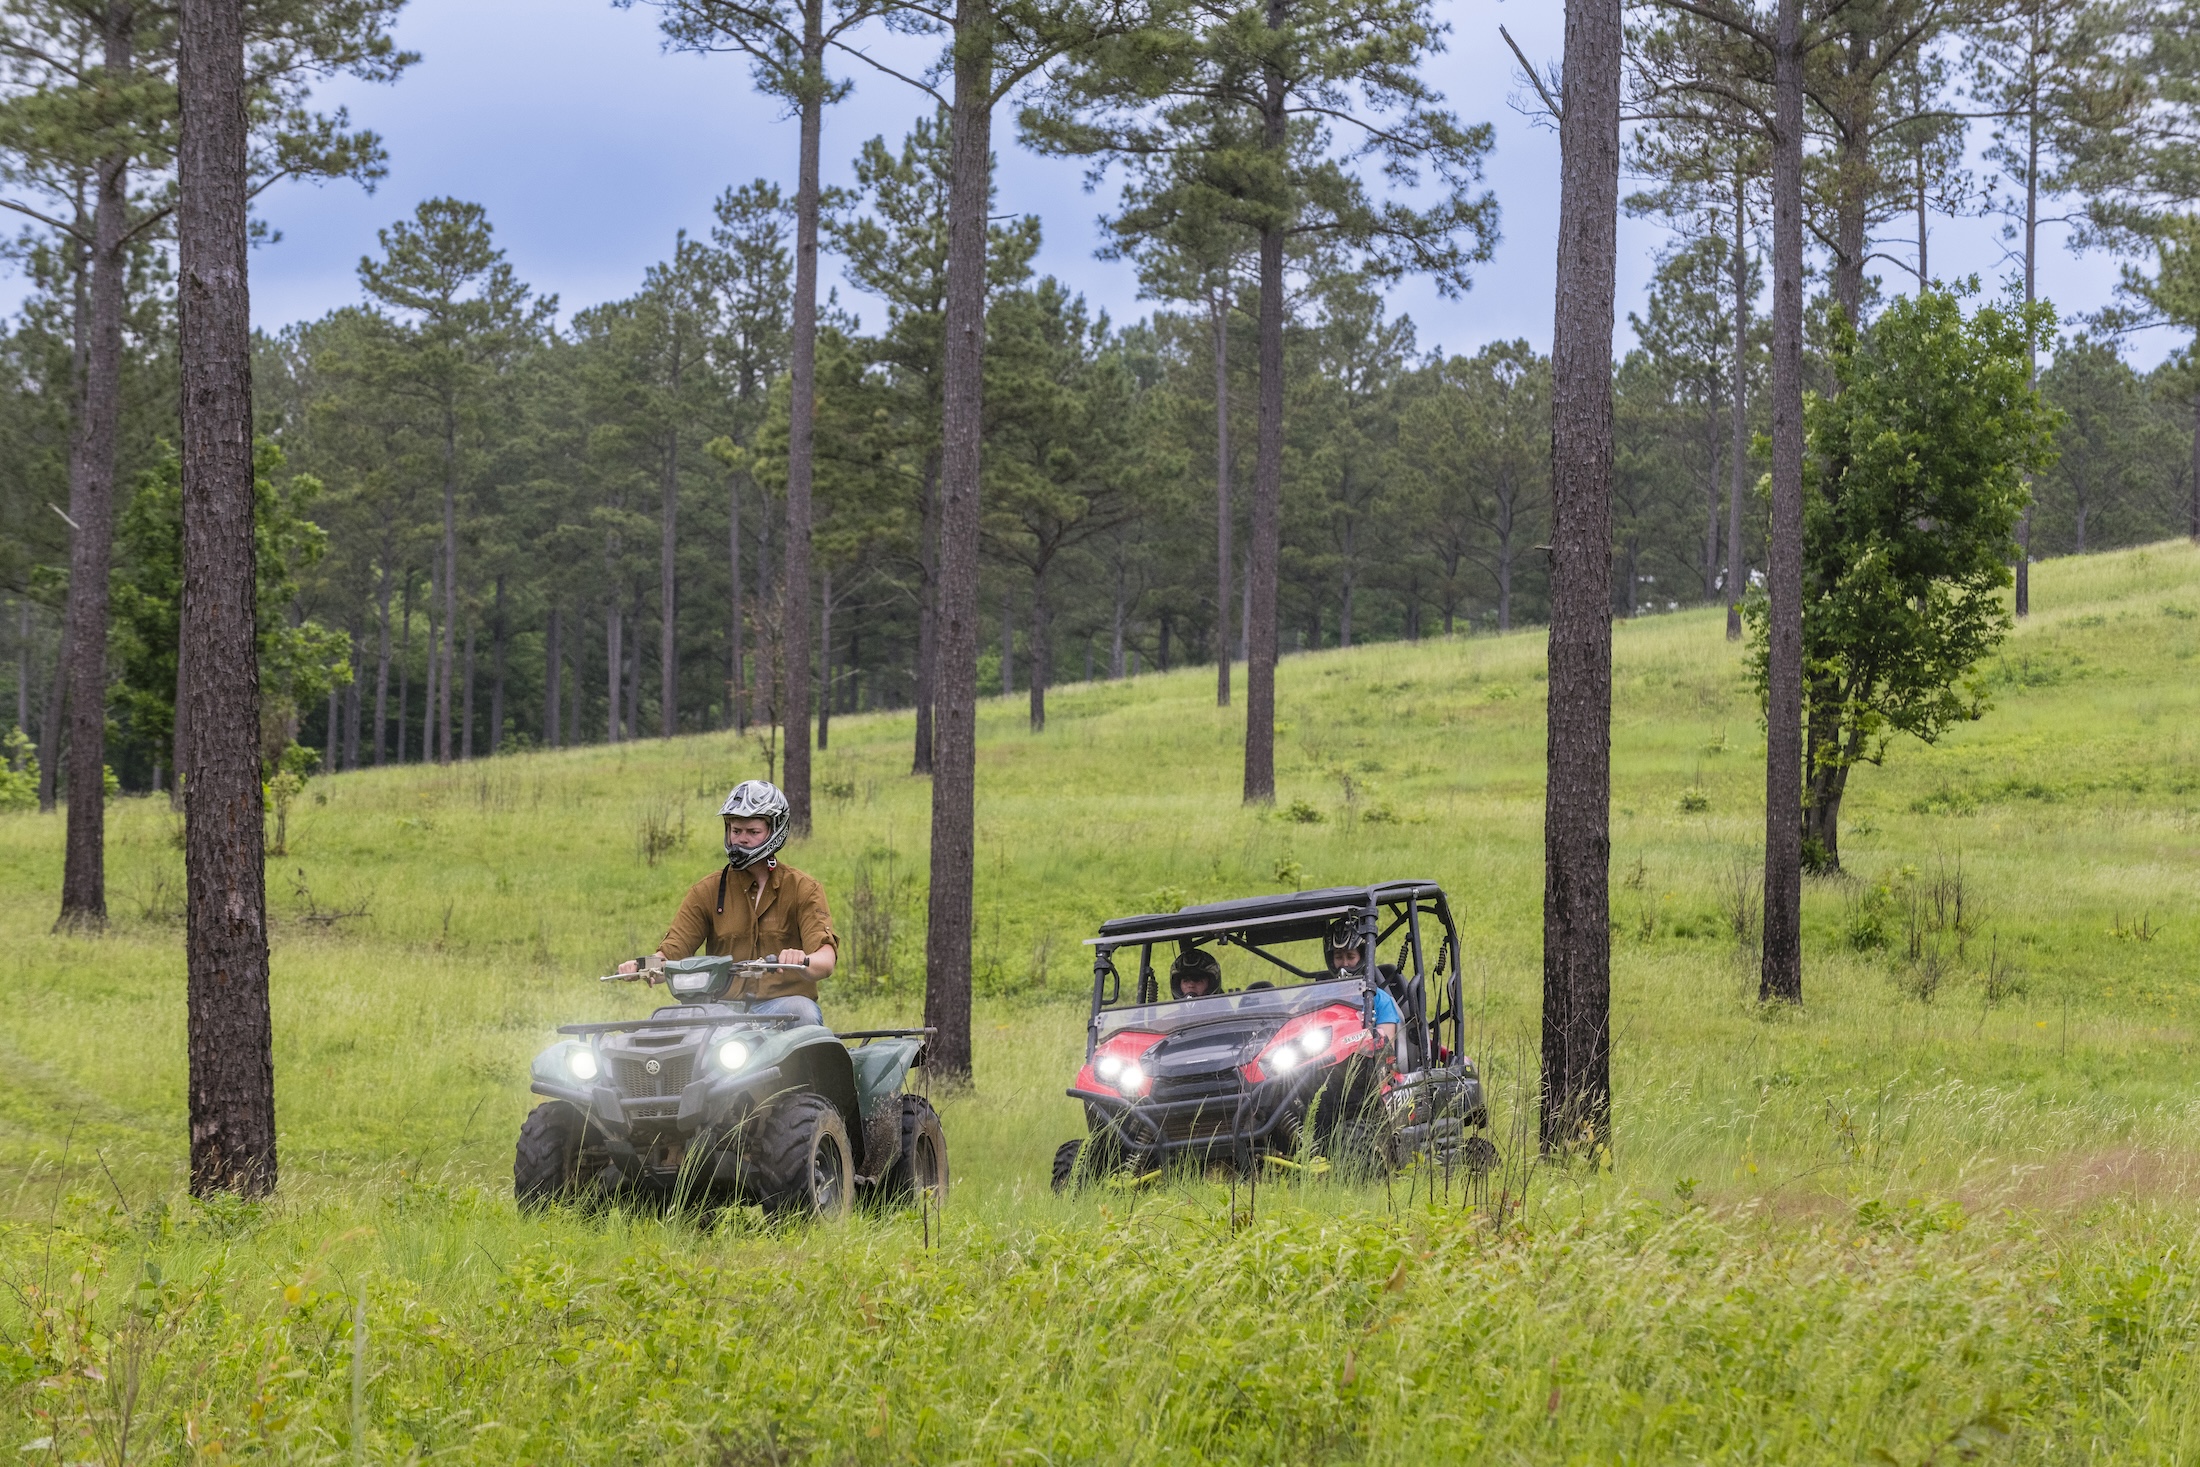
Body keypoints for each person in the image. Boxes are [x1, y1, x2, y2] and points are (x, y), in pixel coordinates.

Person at [617, 780, 837, 1026]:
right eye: (735, 830)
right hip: (720, 1010)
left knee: (803, 1013)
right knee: (666, 1027)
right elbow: (670, 955)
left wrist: (801, 960)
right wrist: (638, 966)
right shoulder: (707, 891)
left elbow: (825, 961)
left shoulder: (803, 888)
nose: (741, 840)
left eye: (753, 832)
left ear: (775, 831)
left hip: (783, 1006)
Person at [1324, 918, 1402, 1055]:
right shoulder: (1321, 998)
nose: (1344, 963)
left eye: (1350, 956)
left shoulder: (1380, 1000)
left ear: (1362, 957)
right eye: (1338, 957)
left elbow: (1386, 1056)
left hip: (1368, 1070)